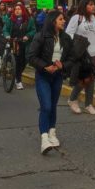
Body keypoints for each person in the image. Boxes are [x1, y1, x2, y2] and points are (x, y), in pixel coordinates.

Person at [27, 10, 72, 154]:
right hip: (43, 76)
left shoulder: (66, 38)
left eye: (64, 19)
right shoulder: (41, 36)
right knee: (45, 106)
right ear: (53, 21)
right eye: (60, 19)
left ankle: (52, 132)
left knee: (53, 106)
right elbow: (31, 56)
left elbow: (71, 58)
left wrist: (63, 65)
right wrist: (45, 66)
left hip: (57, 76)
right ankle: (44, 138)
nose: (64, 21)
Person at [65, 0, 95, 115]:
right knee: (83, 80)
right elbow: (69, 34)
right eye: (90, 5)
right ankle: (73, 99)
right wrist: (72, 50)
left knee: (91, 80)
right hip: (83, 55)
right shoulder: (77, 18)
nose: (93, 6)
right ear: (84, 6)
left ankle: (88, 104)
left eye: (93, 4)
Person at [2, 3, 36, 90]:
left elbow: (33, 30)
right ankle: (18, 80)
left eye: (19, 9)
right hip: (13, 42)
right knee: (16, 60)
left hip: (24, 43)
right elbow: (5, 29)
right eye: (16, 9)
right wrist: (7, 35)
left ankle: (16, 74)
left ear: (23, 10)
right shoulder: (10, 19)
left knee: (24, 61)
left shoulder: (29, 20)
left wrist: (27, 36)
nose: (17, 10)